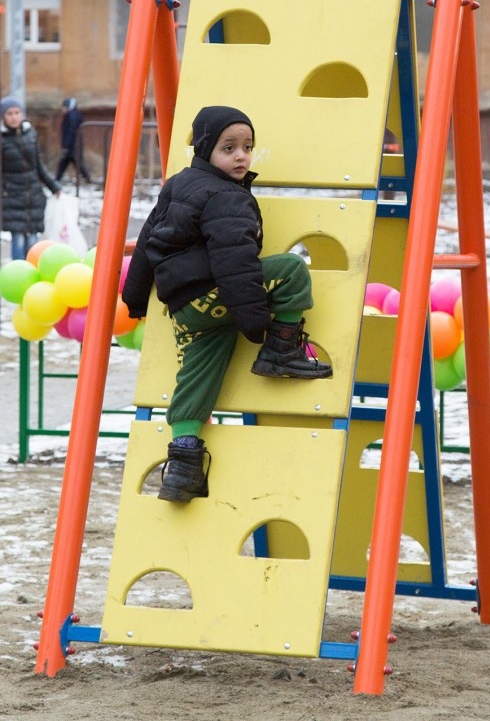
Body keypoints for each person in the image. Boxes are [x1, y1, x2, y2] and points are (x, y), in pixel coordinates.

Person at [122, 105, 332, 503]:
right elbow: (235, 263)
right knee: (290, 269)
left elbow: (148, 239)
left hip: (185, 310)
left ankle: (183, 463)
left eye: (247, 147)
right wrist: (256, 325)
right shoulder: (227, 198)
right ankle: (282, 351)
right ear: (205, 150)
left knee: (197, 379)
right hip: (215, 294)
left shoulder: (178, 183)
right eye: (228, 147)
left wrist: (135, 297)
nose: (240, 156)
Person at [1, 96, 61, 261]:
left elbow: (39, 165)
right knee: (18, 241)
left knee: (33, 243)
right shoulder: (2, 139)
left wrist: (54, 186)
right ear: (3, 117)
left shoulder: (30, 134)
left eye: (17, 112)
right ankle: (18, 276)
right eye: (9, 113)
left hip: (33, 195)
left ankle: (32, 276)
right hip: (12, 197)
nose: (14, 117)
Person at [54, 97, 91, 184]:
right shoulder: (73, 114)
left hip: (72, 145)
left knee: (74, 162)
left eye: (64, 107)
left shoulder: (71, 116)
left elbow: (70, 131)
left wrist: (66, 145)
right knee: (68, 162)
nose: (62, 109)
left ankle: (57, 179)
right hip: (74, 144)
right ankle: (57, 179)